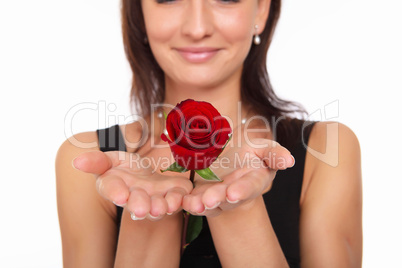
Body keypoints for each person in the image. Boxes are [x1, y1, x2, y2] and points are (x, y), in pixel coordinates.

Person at [56, 0, 363, 267]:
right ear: (140, 13)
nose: (197, 28)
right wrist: (149, 216)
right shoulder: (92, 158)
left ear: (263, 8)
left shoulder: (326, 150)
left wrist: (237, 206)